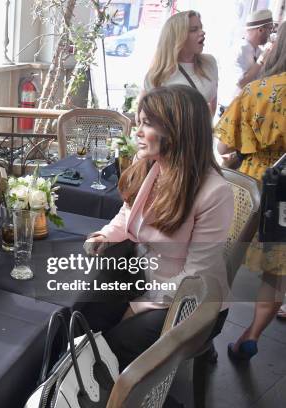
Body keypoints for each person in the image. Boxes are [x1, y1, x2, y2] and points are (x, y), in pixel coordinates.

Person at [84, 85, 234, 369]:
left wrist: (138, 306)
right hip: (147, 279)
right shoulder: (151, 167)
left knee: (115, 345)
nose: (137, 132)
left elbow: (195, 279)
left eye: (147, 124)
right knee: (88, 315)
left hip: (190, 303)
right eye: (138, 122)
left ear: (178, 131)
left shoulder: (214, 193)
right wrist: (106, 234)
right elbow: (127, 213)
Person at [215, 22, 286, 360]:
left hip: (252, 185)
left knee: (224, 260)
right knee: (277, 273)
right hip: (285, 193)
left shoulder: (256, 90)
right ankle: (251, 335)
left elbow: (224, 143)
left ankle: (200, 336)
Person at [142, 10, 219, 116]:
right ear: (177, 38)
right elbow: (150, 117)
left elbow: (212, 103)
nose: (202, 32)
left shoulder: (210, 63)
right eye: (193, 29)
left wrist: (205, 129)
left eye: (201, 27)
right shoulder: (156, 76)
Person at [218, 9, 275, 115]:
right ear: (261, 30)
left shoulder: (259, 51)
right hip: (231, 111)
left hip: (247, 110)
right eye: (270, 29)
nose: (271, 33)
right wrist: (262, 60)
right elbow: (241, 83)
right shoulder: (237, 50)